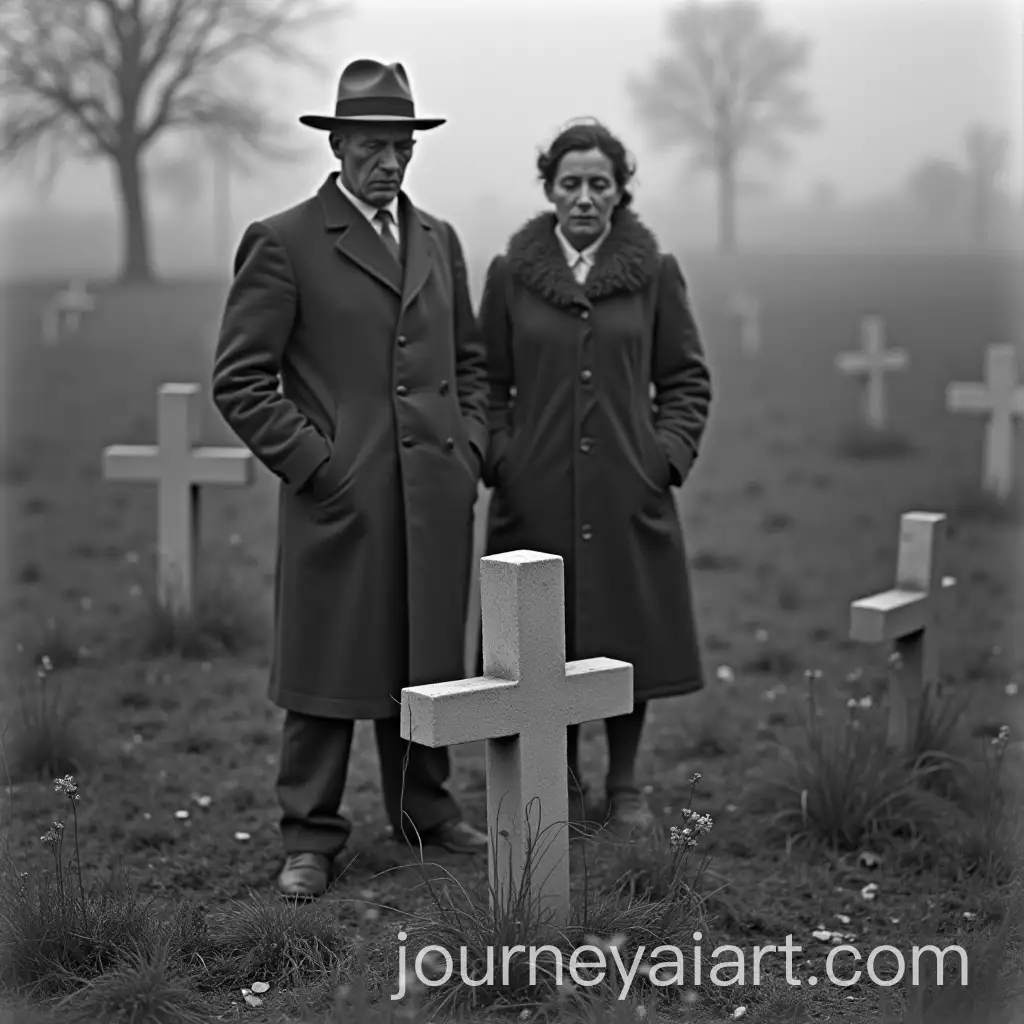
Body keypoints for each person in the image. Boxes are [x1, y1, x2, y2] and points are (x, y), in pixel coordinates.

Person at [212, 59, 490, 900]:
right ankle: (310, 837)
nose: (390, 161)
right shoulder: (284, 241)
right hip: (341, 501)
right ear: (336, 146)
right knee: (326, 668)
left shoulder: (439, 239)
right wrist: (318, 466)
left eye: (402, 146)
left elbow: (471, 362)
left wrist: (468, 450)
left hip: (434, 496)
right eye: (372, 145)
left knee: (427, 657)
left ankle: (425, 811)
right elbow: (241, 381)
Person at [476, 119, 713, 835]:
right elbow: (486, 381)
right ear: (549, 189)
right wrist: (503, 456)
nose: (584, 197)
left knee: (625, 629)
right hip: (536, 489)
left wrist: (662, 457)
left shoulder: (655, 273)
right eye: (570, 183)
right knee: (548, 635)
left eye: (599, 184)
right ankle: (563, 776)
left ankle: (626, 781)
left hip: (626, 488)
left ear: (619, 192)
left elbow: (685, 378)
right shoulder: (510, 275)